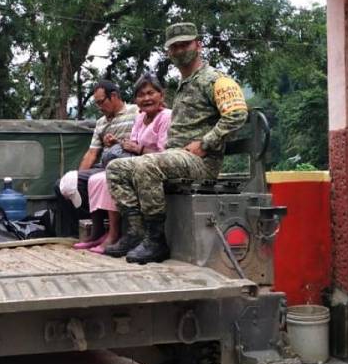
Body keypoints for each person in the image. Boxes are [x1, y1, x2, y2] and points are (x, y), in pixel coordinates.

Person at [105, 22, 248, 263]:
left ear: (198, 45)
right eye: (174, 47)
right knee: (116, 168)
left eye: (185, 44)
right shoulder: (184, 84)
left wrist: (205, 143)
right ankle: (136, 233)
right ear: (169, 53)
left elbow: (237, 114)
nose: (180, 50)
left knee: (146, 164)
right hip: (177, 158)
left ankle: (156, 241)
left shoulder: (215, 80)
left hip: (201, 163)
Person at [84, 74, 171, 254]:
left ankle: (130, 234)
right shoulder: (140, 117)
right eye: (141, 95)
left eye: (150, 93)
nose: (146, 98)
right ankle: (127, 231)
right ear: (136, 100)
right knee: (99, 178)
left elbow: (166, 155)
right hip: (135, 163)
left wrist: (138, 150)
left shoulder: (166, 117)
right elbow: (131, 145)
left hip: (156, 166)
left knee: (112, 171)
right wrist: (118, 143)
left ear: (161, 95)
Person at [54, 80, 137, 244]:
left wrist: (118, 142)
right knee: (62, 185)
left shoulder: (136, 112)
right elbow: (92, 153)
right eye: (97, 103)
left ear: (113, 96)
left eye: (101, 102)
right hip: (102, 164)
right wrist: (77, 179)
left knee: (97, 180)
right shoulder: (101, 122)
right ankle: (78, 232)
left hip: (125, 162)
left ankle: (104, 231)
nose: (99, 107)